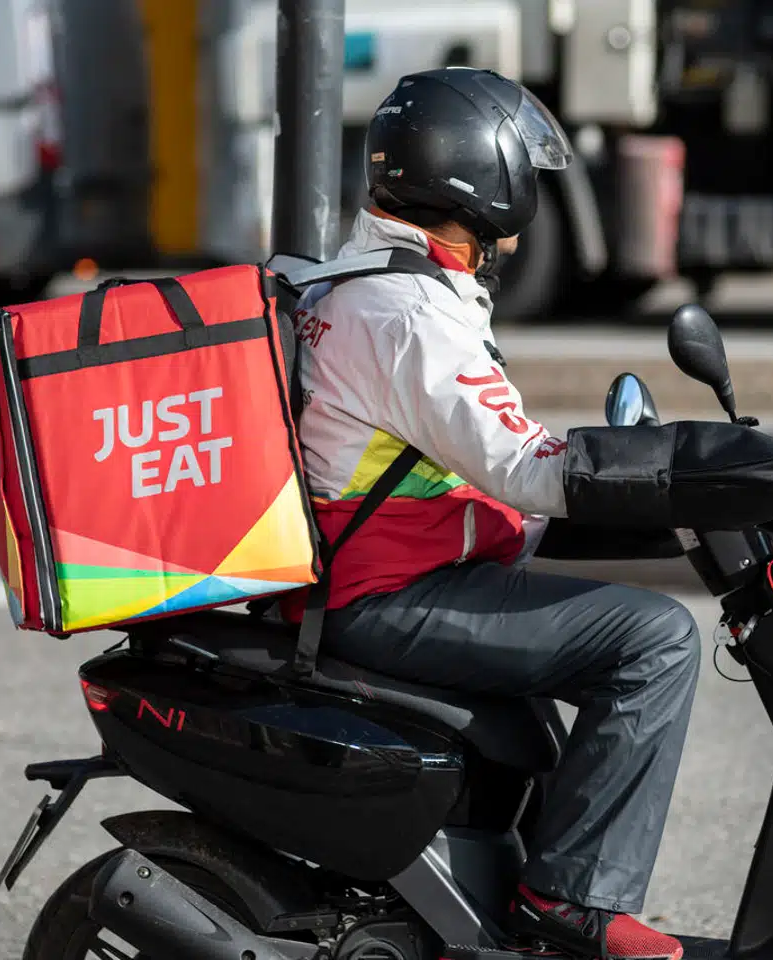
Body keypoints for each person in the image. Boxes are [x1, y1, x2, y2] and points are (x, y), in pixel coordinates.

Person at [281, 68, 701, 960]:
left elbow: (450, 471)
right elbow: (525, 466)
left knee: (576, 663)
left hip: (382, 580)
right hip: (388, 599)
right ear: (482, 177)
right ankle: (571, 902)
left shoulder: (357, 280)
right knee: (655, 641)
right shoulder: (407, 314)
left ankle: (518, 896)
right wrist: (679, 465)